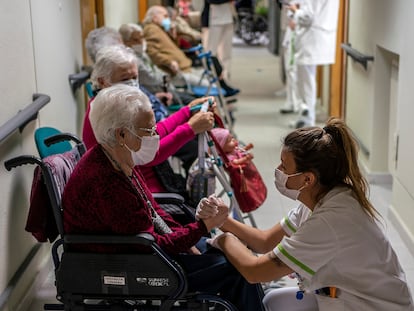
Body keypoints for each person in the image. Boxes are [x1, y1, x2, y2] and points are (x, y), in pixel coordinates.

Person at [62, 84, 265, 310]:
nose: (155, 135)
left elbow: (153, 211)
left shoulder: (118, 157)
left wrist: (189, 237)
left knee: (233, 253)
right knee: (237, 268)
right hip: (134, 263)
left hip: (144, 250)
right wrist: (202, 227)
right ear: (121, 134)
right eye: (148, 130)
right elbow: (153, 245)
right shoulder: (107, 183)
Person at [201, 117, 414, 310]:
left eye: (284, 166)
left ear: (307, 179)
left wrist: (224, 239)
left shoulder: (331, 220)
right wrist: (222, 220)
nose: (278, 170)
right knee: (272, 302)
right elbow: (265, 241)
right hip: (352, 297)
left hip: (374, 306)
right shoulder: (322, 197)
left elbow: (256, 272)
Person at [82, 44, 213, 176]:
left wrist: (187, 111)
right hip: (139, 183)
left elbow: (152, 133)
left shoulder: (116, 103)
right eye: (125, 79)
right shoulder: (108, 112)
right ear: (103, 81)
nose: (132, 83)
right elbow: (149, 155)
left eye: (134, 77)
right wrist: (190, 129)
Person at [142, 5, 239, 97]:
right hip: (177, 71)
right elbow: (152, 53)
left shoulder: (160, 29)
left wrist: (173, 35)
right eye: (165, 16)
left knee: (212, 75)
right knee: (212, 86)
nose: (168, 19)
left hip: (184, 66)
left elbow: (172, 47)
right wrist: (169, 62)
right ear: (154, 17)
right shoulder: (150, 30)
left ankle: (223, 91)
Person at [286, 0, 340, 128]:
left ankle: (308, 119)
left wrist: (295, 10)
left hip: (311, 38)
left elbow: (307, 18)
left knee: (306, 81)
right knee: (306, 79)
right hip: (318, 36)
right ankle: (305, 116)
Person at [119, 23, 197, 106]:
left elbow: (155, 69)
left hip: (166, 87)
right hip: (157, 94)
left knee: (192, 97)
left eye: (141, 38)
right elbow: (152, 78)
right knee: (191, 101)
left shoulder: (142, 54)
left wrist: (164, 76)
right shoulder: (132, 61)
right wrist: (164, 77)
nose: (141, 42)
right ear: (125, 42)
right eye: (136, 40)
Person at [203, 0, 235, 81]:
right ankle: (212, 73)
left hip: (228, 16)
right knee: (211, 50)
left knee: (226, 50)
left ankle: (224, 73)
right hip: (214, 18)